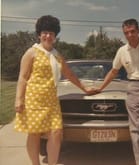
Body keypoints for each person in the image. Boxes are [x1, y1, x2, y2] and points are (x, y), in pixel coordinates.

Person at [14, 15, 96, 165]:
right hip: (34, 100)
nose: (48, 36)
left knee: (56, 133)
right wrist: (19, 99)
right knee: (35, 134)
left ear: (55, 36)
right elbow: (23, 77)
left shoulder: (57, 56)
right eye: (45, 32)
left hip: (52, 101)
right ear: (39, 34)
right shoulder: (31, 52)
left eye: (51, 33)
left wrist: (84, 88)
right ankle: (35, 163)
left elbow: (69, 74)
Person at [97, 18, 139, 165]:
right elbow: (114, 71)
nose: (129, 35)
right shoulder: (122, 51)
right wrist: (100, 88)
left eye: (132, 31)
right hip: (133, 88)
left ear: (138, 31)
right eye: (126, 33)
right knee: (136, 131)